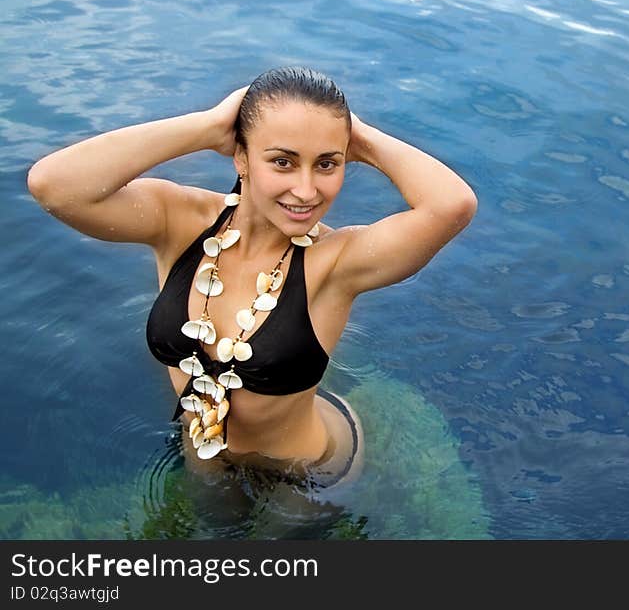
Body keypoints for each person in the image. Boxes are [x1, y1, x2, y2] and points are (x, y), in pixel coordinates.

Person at [27, 66, 478, 500]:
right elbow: (54, 186)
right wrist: (205, 127)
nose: (305, 190)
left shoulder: (338, 263)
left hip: (308, 474)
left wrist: (358, 136)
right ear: (240, 156)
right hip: (202, 447)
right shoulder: (179, 222)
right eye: (282, 161)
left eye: (327, 164)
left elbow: (452, 205)